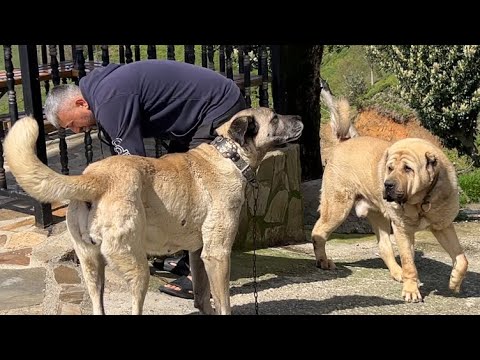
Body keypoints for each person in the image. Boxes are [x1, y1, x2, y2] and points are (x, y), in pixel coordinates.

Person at [44, 59, 247, 300]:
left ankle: (199, 278)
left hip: (216, 107)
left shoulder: (109, 101)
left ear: (80, 103)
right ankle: (186, 257)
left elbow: (136, 165)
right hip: (200, 111)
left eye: (71, 125)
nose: (78, 131)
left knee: (196, 191)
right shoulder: (103, 93)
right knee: (178, 178)